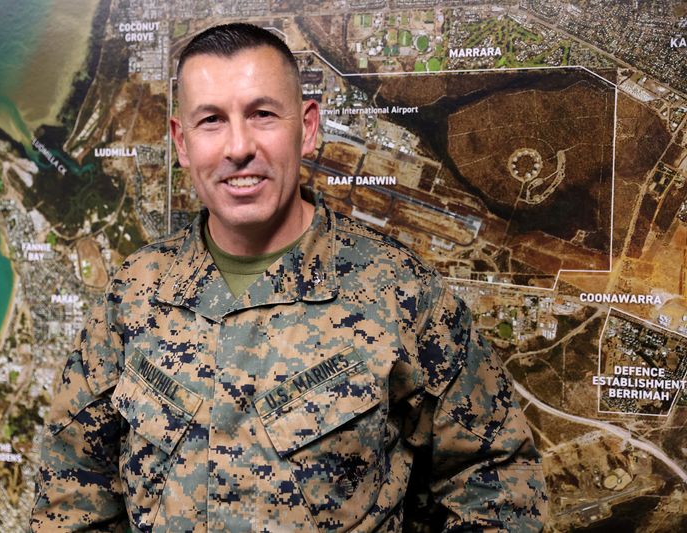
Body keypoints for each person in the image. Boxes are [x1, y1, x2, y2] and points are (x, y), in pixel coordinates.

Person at [31, 23, 548, 532]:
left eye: (262, 114)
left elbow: (495, 482)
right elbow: (72, 492)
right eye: (211, 120)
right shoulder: (133, 295)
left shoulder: (401, 294)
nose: (239, 146)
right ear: (181, 142)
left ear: (308, 126)